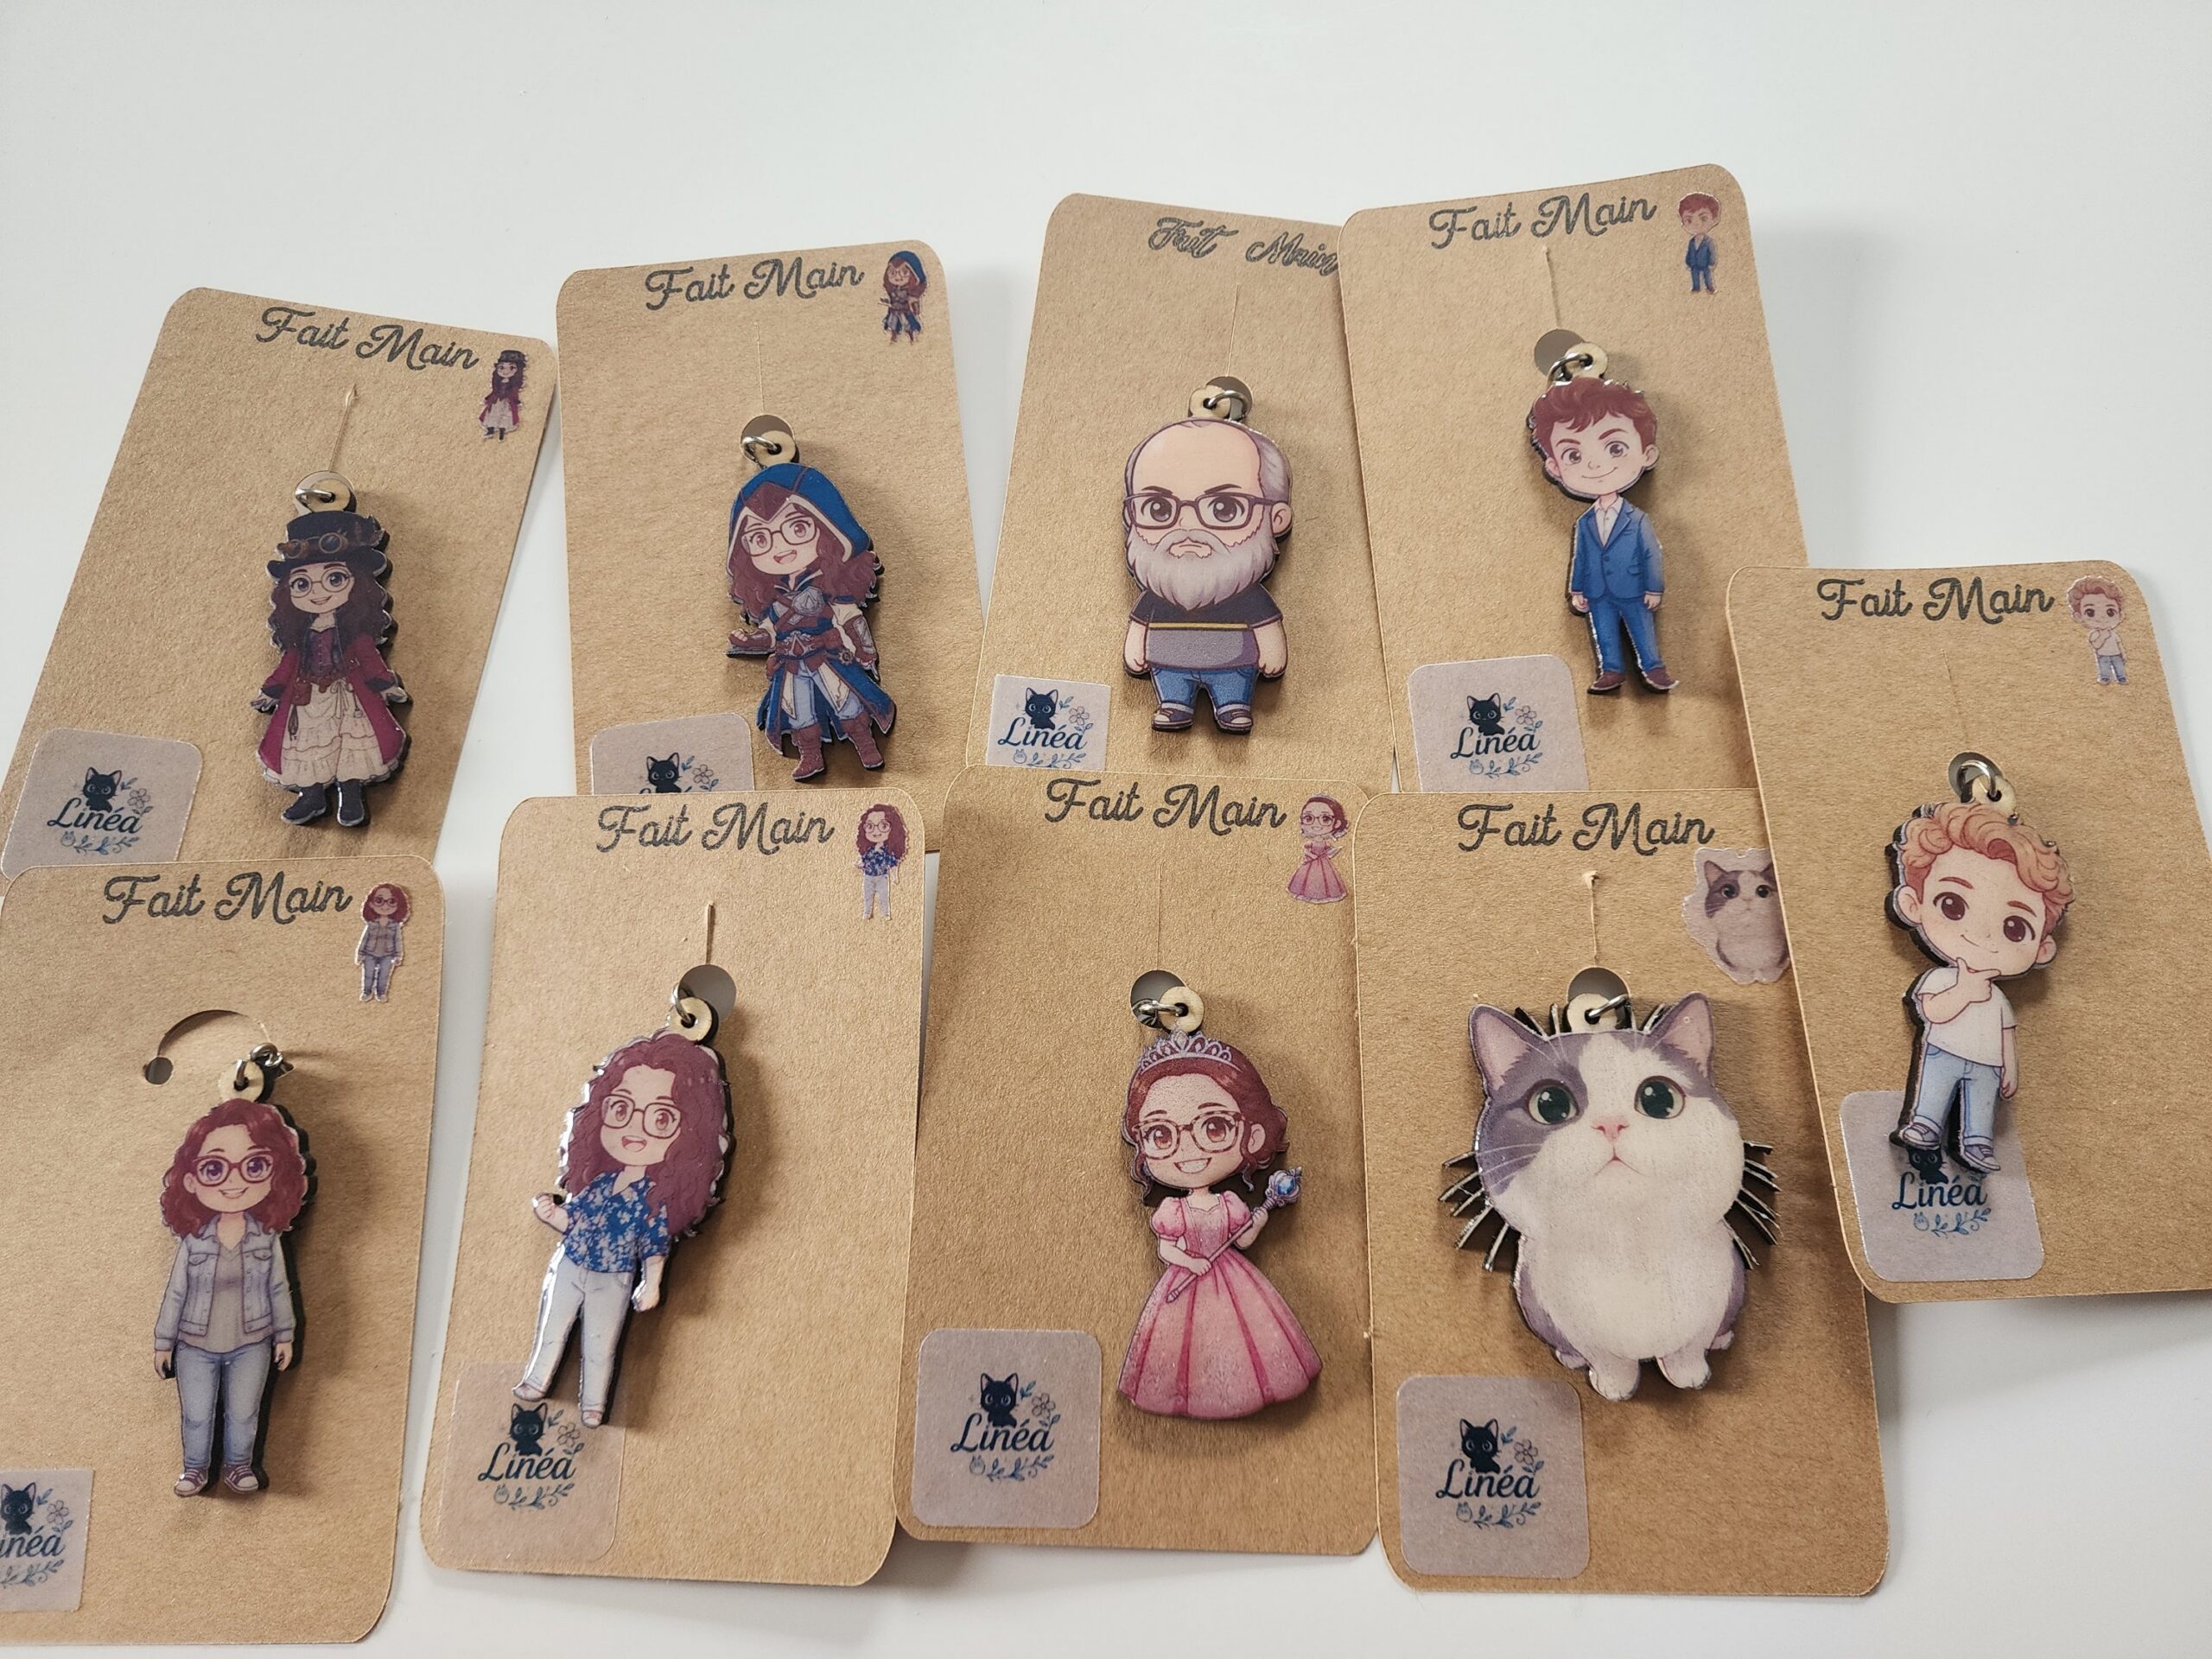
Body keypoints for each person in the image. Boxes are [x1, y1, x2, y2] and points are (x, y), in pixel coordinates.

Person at [518, 1030, 729, 1427]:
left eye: (661, 1118)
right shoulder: (599, 1183)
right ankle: (536, 1380)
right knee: (551, 1327)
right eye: (621, 1109)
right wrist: (551, 1215)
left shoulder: (653, 1200)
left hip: (613, 1278)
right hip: (570, 1264)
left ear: (688, 1133)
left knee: (600, 1342)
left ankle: (594, 1403)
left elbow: (655, 1244)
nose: (636, 1128)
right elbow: (574, 1220)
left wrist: (652, 1284)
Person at [1116, 1032, 1319, 1419]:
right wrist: (1190, 1261)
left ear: (1252, 1134)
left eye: (1213, 1128)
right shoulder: (1173, 1210)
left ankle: (1239, 1391)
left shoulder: (1230, 1204)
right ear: (1141, 1145)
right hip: (1187, 1278)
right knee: (1184, 1346)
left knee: (1242, 1339)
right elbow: (1165, 1248)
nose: (1187, 1149)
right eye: (1160, 1134)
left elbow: (1243, 1241)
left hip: (1231, 1278)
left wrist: (1260, 1218)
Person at [1890, 800, 2075, 1173]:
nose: (1984, 936)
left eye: (2014, 928)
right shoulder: (1942, 978)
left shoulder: (1999, 999)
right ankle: (1924, 1123)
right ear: (1912, 904)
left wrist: (2011, 1068)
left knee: (1980, 1104)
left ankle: (1978, 1141)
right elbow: (1930, 1011)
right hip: (1942, 1051)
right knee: (1934, 1087)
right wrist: (1963, 993)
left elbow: (2007, 1033)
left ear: (2042, 948)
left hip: (1988, 1065)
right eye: (1953, 905)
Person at [154, 1098, 310, 1495]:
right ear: (191, 1180)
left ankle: (239, 1466)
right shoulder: (193, 1241)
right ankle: (194, 1469)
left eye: (255, 1165)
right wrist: (163, 1342)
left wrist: (285, 1336)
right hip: (194, 1345)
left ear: (276, 1172)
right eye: (214, 1168)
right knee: (197, 1415)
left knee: (243, 1413)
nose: (234, 1182)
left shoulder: (267, 1239)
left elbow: (279, 1287)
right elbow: (175, 1292)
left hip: (252, 1343)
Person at [1121, 417, 1292, 734]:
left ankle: (1233, 705)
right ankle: (1173, 704)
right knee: (1172, 690)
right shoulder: (1157, 596)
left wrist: (1271, 651)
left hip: (1233, 666)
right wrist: (1135, 648)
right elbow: (1140, 624)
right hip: (1168, 666)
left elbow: (1266, 625)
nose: (1187, 526)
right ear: (1131, 518)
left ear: (1276, 519)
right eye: (1158, 509)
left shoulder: (1249, 596)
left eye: (1225, 509)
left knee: (1234, 687)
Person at [1527, 374, 1674, 694]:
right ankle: (1611, 671)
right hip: (1597, 592)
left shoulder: (1638, 519)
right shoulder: (1584, 523)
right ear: (1554, 468)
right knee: (1604, 632)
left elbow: (1651, 552)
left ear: (1647, 454)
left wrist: (1654, 588)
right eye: (1574, 455)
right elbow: (1582, 557)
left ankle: (1654, 667)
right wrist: (1577, 590)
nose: (1595, 465)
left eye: (1615, 447)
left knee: (1642, 629)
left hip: (1634, 588)